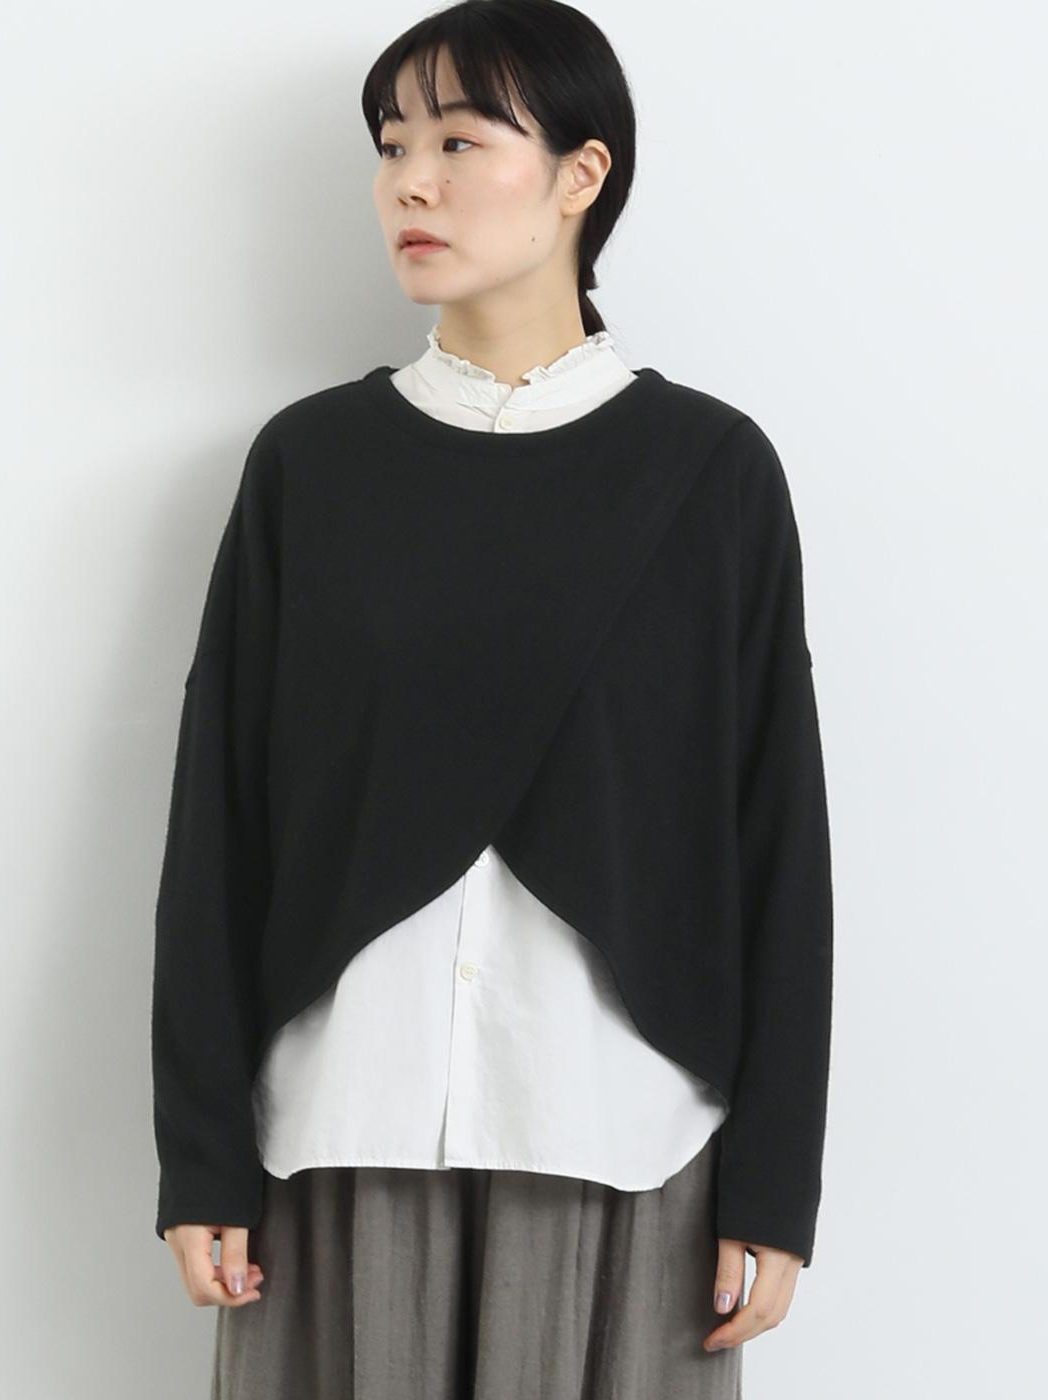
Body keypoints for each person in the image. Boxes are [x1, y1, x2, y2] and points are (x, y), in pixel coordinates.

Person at [151, 2, 834, 1396]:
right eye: (392, 144)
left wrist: (776, 1183)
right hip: (339, 1132)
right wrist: (201, 1152)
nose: (411, 181)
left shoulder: (710, 472)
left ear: (583, 173)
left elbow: (776, 834)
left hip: (623, 1132)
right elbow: (220, 819)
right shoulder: (311, 468)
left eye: (460, 141)